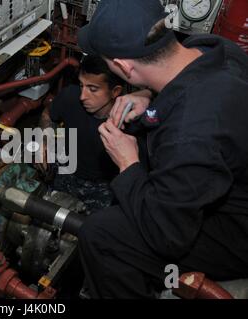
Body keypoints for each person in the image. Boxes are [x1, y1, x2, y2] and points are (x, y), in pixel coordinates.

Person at [77, 0, 248, 298]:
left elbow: (167, 236)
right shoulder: (215, 49)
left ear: (123, 67)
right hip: (231, 175)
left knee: (101, 235)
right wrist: (148, 93)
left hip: (238, 233)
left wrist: (127, 163)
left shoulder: (190, 134)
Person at [38, 55, 125, 212]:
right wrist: (44, 142)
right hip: (65, 171)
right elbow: (47, 115)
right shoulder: (70, 96)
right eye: (81, 85)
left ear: (115, 92)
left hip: (103, 188)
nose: (82, 96)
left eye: (93, 89)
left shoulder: (127, 125)